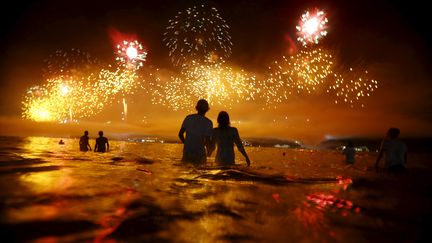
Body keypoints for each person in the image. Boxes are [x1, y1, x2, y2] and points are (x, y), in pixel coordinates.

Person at [178, 99, 213, 163]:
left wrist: (186, 143)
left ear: (197, 108)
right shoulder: (208, 122)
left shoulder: (188, 118)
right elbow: (207, 141)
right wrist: (209, 152)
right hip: (199, 153)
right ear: (207, 109)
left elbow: (180, 134)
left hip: (187, 152)